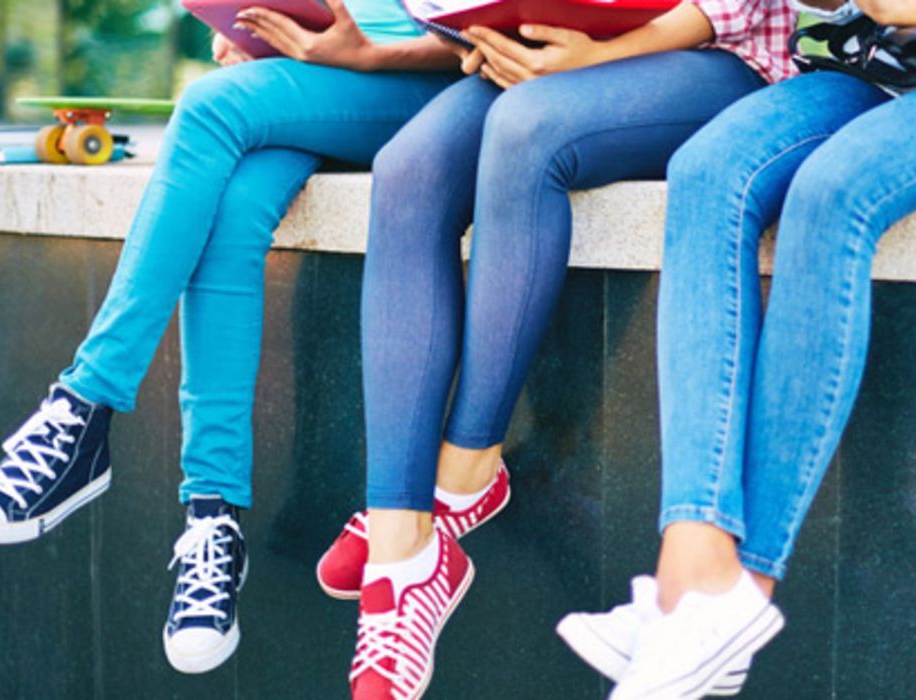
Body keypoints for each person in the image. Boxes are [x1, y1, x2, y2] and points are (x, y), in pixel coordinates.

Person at [557, 0, 916, 697]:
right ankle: (689, 570)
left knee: (833, 193)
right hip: (878, 66)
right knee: (707, 171)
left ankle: (738, 593)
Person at [0, 0, 461, 675]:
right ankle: (212, 518)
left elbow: (493, 34)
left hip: (434, 89)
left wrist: (360, 53)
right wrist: (261, 33)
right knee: (237, 206)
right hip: (324, 76)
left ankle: (82, 410)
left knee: (209, 106)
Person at [304, 2, 798, 698]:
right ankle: (402, 551)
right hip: (550, 56)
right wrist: (477, 30)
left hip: (715, 58)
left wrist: (596, 55)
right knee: (408, 166)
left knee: (524, 127)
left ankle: (465, 472)